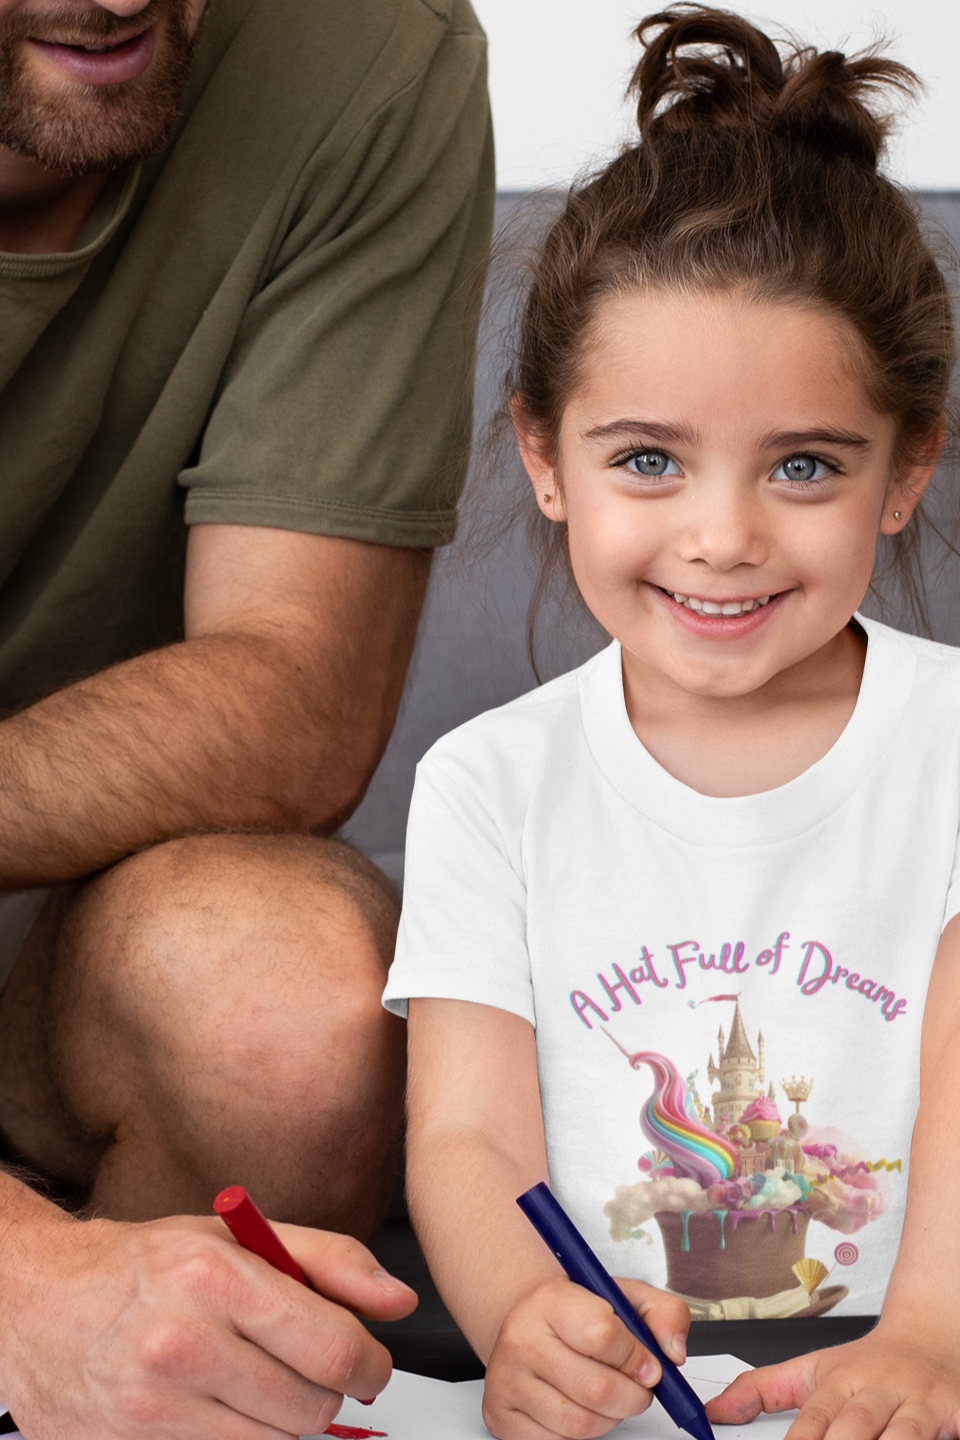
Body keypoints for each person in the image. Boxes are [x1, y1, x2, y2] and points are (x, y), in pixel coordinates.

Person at [386, 7, 960, 1440]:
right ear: (545, 456)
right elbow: (466, 1136)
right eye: (647, 458)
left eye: (803, 465)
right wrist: (527, 1323)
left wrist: (933, 1346)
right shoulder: (486, 780)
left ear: (907, 471)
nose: (720, 537)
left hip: (916, 1394)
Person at [0, 0, 494, 1435]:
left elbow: (298, 697)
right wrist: (25, 1280)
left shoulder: (366, 52)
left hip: (56, 926)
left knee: (277, 1007)